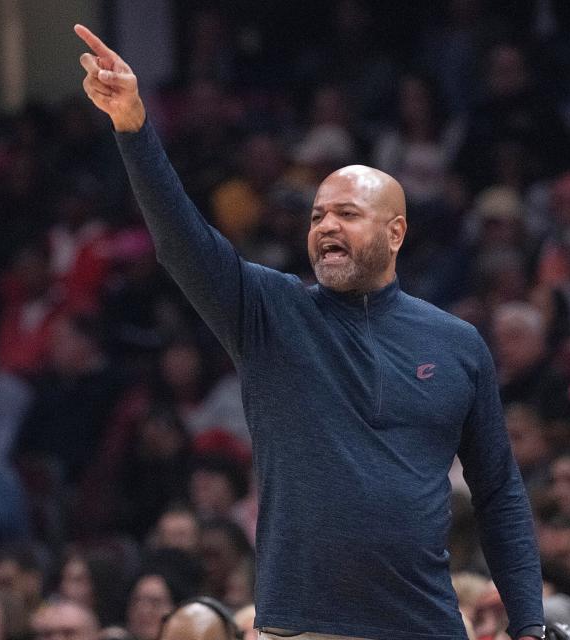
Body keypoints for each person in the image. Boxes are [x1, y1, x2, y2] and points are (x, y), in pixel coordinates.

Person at [74, 24, 544, 640]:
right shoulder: (270, 312)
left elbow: (500, 494)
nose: (326, 226)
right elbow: (180, 242)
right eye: (318, 215)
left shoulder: (457, 343)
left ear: (396, 233)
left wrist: (530, 627)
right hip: (300, 627)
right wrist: (134, 128)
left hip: (425, 626)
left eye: (348, 214)